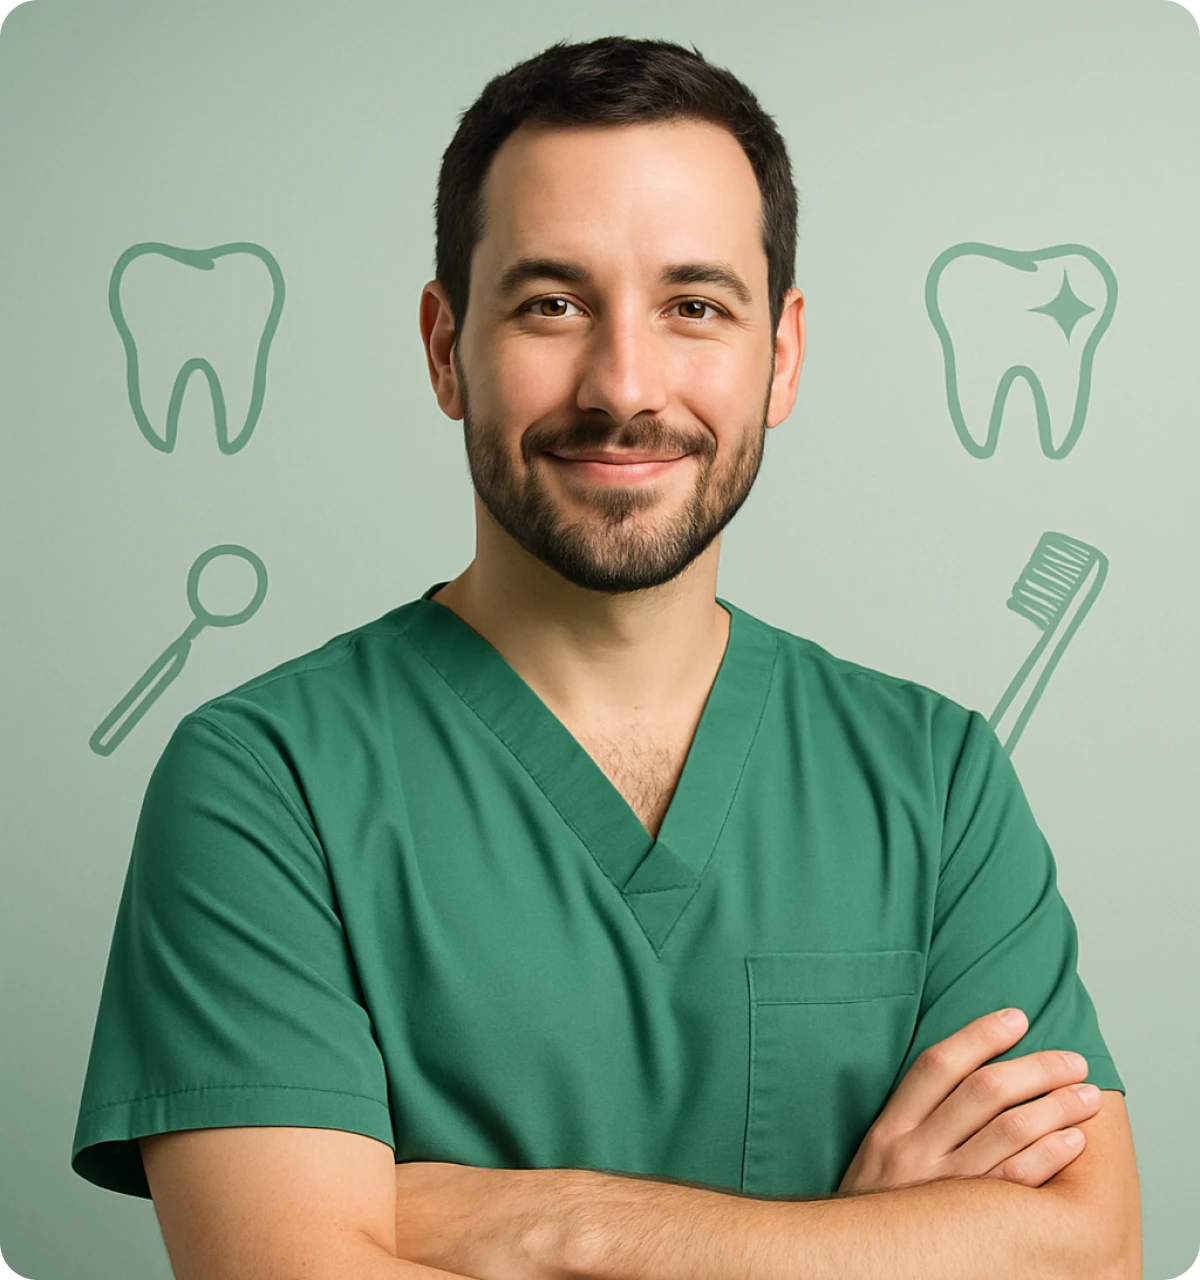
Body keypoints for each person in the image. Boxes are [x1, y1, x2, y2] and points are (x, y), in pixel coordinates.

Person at [70, 34, 1136, 1278]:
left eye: (695, 306)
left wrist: (561, 1223)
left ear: (782, 354)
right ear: (444, 347)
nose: (624, 385)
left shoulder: (937, 779)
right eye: (552, 304)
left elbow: (1085, 1252)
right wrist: (862, 1242)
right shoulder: (265, 781)